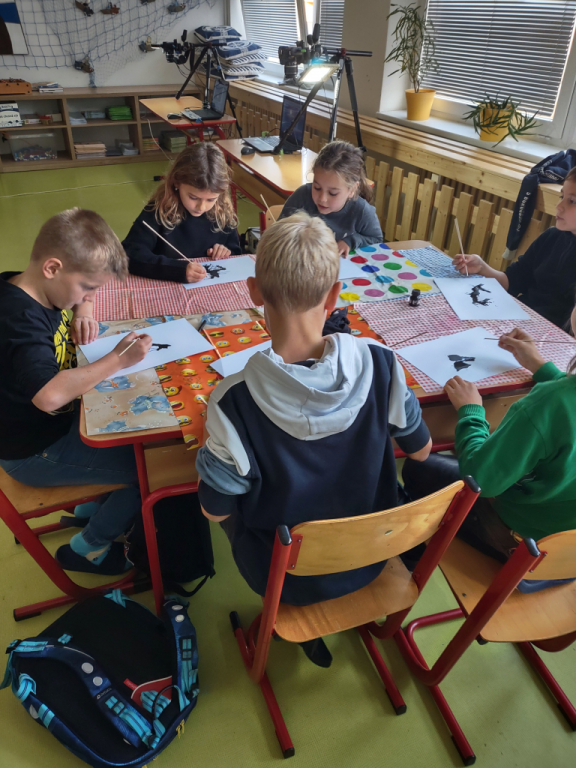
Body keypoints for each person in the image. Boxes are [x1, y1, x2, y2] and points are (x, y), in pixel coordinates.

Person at [196, 212, 431, 664]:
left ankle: (298, 617)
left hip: (287, 579)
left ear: (253, 292)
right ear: (335, 296)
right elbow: (420, 450)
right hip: (374, 556)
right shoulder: (383, 364)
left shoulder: (231, 401)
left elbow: (214, 510)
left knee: (228, 500)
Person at [0, 209, 153, 575]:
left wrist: (83, 306)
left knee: (131, 433)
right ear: (52, 268)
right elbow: (48, 396)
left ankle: (90, 506)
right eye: (87, 288)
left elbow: (76, 292)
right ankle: (88, 547)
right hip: (34, 451)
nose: (90, 297)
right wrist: (118, 360)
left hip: (54, 428)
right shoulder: (19, 320)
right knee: (148, 468)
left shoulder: (29, 285)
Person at [403, 306, 576, 590]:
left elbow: (481, 480)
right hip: (569, 554)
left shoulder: (549, 403)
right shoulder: (558, 398)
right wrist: (543, 369)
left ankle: (408, 558)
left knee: (418, 465)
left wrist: (471, 412)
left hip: (524, 549)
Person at [453, 166, 576, 329]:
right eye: (561, 196)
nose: (559, 206)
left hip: (551, 336)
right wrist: (481, 267)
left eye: (572, 201)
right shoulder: (551, 237)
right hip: (517, 321)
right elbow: (513, 281)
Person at [123, 142, 241, 283]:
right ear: (176, 183)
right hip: (167, 286)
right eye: (193, 197)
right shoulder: (158, 211)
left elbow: (236, 253)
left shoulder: (222, 211)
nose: (201, 207)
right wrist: (175, 269)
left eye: (211, 199)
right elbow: (130, 254)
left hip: (209, 288)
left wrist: (225, 252)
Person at [279, 140, 383, 257]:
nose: (322, 198)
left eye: (333, 193)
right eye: (317, 188)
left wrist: (350, 241)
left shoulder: (362, 211)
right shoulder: (301, 196)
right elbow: (278, 232)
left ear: (352, 190)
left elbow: (376, 239)